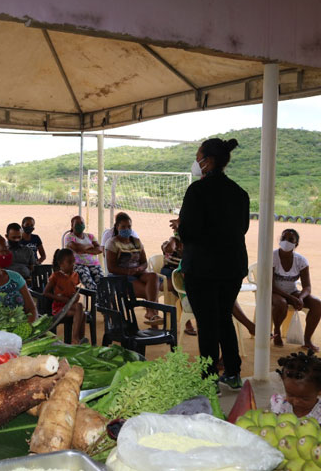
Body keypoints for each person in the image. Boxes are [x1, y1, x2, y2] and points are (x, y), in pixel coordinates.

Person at [170, 137, 249, 391]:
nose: (196, 162)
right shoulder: (239, 193)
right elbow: (242, 229)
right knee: (224, 316)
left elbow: (189, 232)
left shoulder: (197, 191)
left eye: (198, 157)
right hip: (232, 267)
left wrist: (180, 228)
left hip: (203, 268)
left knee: (207, 322)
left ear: (208, 161)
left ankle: (208, 378)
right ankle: (234, 372)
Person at [272, 228, 321, 352]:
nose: (286, 242)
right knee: (281, 303)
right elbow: (271, 285)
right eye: (283, 238)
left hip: (293, 292)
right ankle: (277, 331)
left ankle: (307, 340)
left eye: (290, 240)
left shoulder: (301, 261)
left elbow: (307, 287)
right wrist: (291, 298)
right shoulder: (272, 257)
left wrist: (300, 297)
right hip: (274, 292)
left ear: (296, 244)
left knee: (316, 303)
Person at [105, 212, 161, 324]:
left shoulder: (136, 241)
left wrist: (140, 268)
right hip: (122, 276)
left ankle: (151, 314)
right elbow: (111, 268)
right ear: (117, 227)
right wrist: (128, 271)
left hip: (138, 273)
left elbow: (144, 262)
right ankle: (153, 318)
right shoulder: (112, 243)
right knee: (150, 292)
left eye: (129, 226)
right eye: (123, 227)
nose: (127, 229)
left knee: (153, 277)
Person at [270, 351, 321, 425]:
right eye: (290, 395)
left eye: (304, 398)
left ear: (320, 390)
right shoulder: (280, 404)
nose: (296, 401)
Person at [44, 249, 85, 344]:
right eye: (69, 262)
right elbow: (45, 293)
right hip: (59, 309)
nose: (73, 264)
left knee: (82, 312)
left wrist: (75, 296)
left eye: (73, 262)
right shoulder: (56, 276)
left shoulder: (75, 275)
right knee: (79, 308)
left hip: (69, 306)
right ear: (60, 263)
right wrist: (62, 299)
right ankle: (75, 338)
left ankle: (80, 338)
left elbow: (73, 290)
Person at [160, 234, 195, 335]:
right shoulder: (170, 243)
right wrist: (173, 239)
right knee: (179, 287)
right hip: (169, 271)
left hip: (184, 272)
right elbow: (168, 249)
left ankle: (186, 309)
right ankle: (187, 320)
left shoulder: (192, 244)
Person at [63, 215, 104, 291]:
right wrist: (90, 246)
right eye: (77, 224)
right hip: (78, 265)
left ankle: (100, 302)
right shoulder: (69, 237)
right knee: (90, 285)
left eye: (82, 223)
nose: (80, 225)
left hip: (94, 264)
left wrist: (84, 249)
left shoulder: (90, 236)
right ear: (72, 226)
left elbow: (100, 249)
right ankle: (97, 301)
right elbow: (77, 248)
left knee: (103, 284)